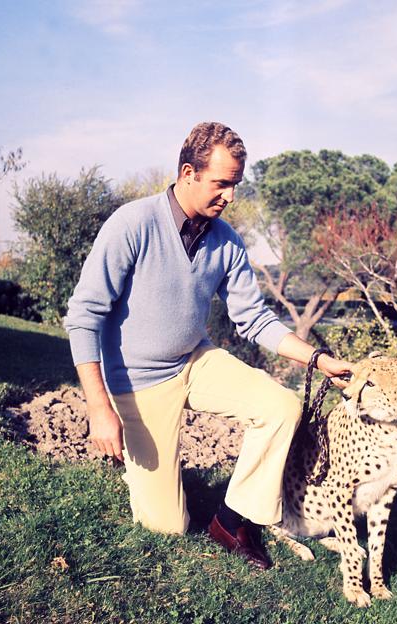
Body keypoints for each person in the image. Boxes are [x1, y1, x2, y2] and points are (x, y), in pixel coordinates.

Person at [64, 121, 352, 570]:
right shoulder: (132, 224)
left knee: (280, 406)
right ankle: (151, 480)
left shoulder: (227, 242)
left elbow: (254, 318)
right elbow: (84, 317)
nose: (231, 196)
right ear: (187, 172)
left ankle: (232, 520)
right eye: (221, 183)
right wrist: (100, 409)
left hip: (195, 361)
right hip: (137, 383)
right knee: (166, 527)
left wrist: (317, 358)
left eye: (235, 185)